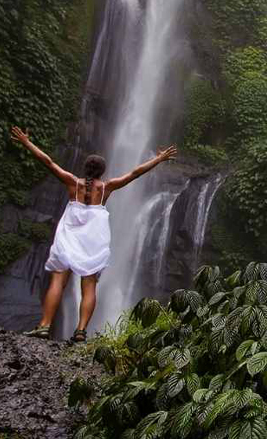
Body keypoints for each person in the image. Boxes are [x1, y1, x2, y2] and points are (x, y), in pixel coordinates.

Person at [9, 127, 177, 343]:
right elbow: (135, 173)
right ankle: (80, 331)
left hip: (69, 236)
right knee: (89, 286)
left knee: (58, 281)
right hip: (94, 240)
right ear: (102, 171)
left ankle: (44, 325)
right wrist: (159, 159)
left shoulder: (72, 182)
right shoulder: (107, 187)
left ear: (85, 169)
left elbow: (48, 162)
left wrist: (26, 143)